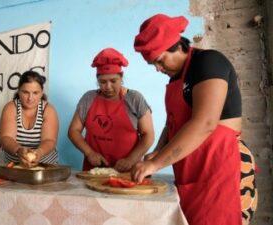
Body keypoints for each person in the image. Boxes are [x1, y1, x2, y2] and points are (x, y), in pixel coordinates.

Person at [131, 14, 257, 225]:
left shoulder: (208, 62)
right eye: (153, 64)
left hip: (220, 167)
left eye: (160, 61)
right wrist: (157, 152)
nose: (158, 69)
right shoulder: (175, 78)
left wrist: (156, 165)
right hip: (193, 170)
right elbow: (172, 122)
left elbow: (205, 123)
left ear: (177, 46)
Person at [68, 47, 154, 172]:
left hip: (128, 171)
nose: (108, 87)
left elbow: (148, 135)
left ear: (121, 76)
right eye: (102, 82)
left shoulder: (134, 99)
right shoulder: (89, 98)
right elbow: (73, 131)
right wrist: (89, 153)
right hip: (94, 172)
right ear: (97, 79)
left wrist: (130, 160)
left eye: (113, 81)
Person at [0, 70, 59, 167]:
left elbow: (49, 140)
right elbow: (6, 138)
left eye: (35, 93)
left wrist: (39, 153)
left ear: (41, 92)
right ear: (19, 91)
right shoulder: (11, 108)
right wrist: (18, 150)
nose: (30, 98)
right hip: (14, 166)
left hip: (45, 166)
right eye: (25, 92)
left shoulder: (48, 110)